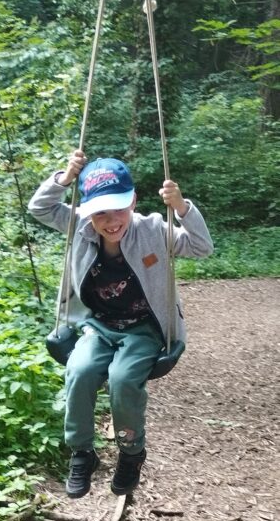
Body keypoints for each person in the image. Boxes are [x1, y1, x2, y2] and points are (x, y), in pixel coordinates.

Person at [28, 151, 213, 498]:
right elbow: (39, 208)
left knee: (123, 379)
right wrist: (64, 179)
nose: (111, 220)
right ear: (87, 211)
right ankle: (82, 452)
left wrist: (182, 208)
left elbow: (201, 247)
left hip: (144, 328)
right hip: (98, 325)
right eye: (100, 212)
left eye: (119, 208)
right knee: (79, 371)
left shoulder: (153, 230)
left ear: (133, 202)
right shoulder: (78, 225)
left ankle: (131, 452)